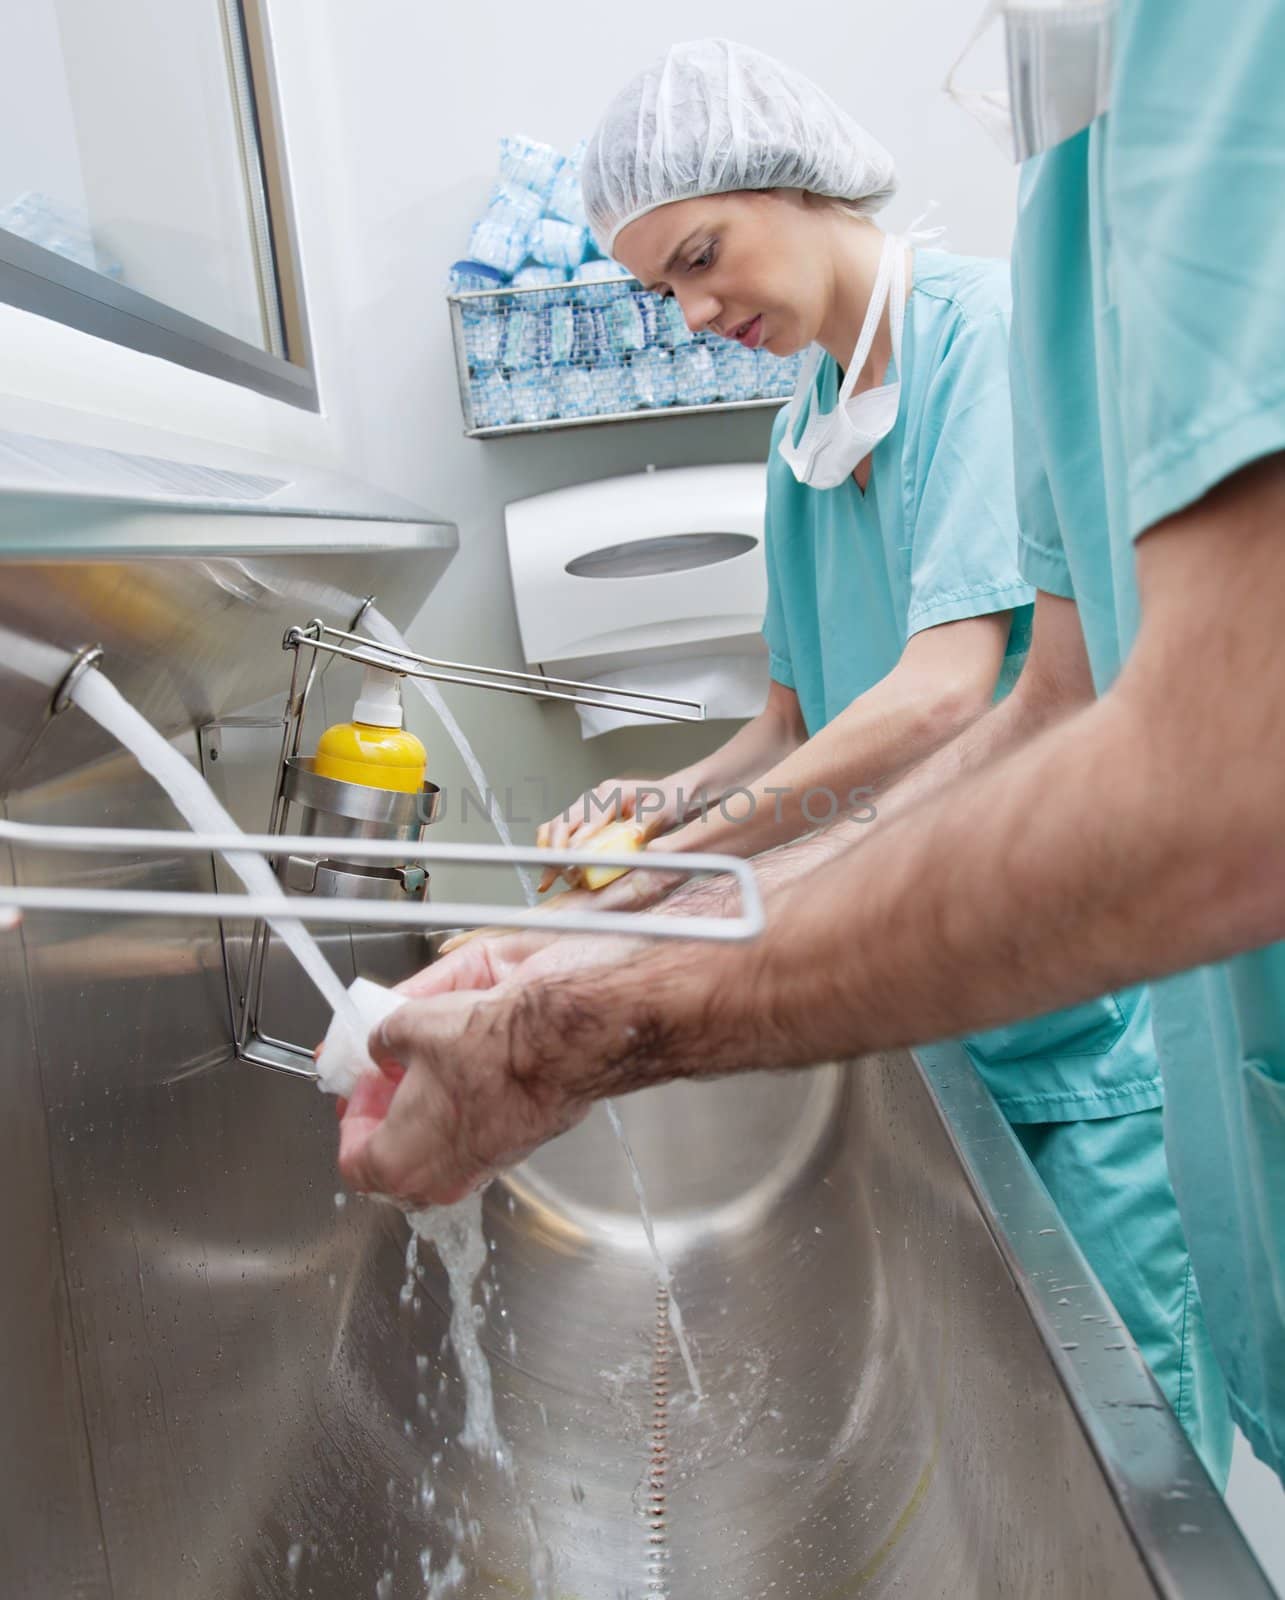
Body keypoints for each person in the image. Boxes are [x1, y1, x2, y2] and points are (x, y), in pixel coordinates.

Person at [343, 40, 1233, 1478]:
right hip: (933, 980)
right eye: (662, 290)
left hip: (1081, 1017)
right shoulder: (804, 423)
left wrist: (651, 906)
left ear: (800, 183)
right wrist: (662, 806)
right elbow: (794, 722)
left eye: (701, 255)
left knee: (1132, 1460)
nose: (695, 309)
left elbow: (947, 695)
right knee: (1025, 1428)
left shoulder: (982, 340)